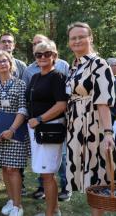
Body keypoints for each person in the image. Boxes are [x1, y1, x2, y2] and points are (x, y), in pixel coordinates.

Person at [65, 22, 116, 216]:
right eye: (73, 38)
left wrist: (107, 132)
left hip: (93, 126)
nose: (77, 40)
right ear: (69, 42)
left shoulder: (99, 63)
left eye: (81, 36)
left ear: (91, 38)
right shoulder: (76, 66)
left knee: (97, 176)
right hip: (76, 127)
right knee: (87, 176)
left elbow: (103, 101)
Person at [26, 35, 71, 202]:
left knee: (47, 175)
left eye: (47, 54)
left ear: (54, 56)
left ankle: (51, 213)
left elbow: (61, 105)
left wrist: (39, 119)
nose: (43, 57)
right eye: (39, 55)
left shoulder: (57, 76)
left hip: (50, 129)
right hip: (37, 130)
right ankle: (54, 210)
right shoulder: (35, 77)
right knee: (44, 173)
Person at [0, 50, 29, 216]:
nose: (2, 64)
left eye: (5, 61)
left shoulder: (20, 84)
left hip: (15, 133)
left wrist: (12, 130)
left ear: (11, 64)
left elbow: (23, 109)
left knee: (13, 169)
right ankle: (11, 200)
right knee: (4, 167)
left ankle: (18, 205)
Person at [0, 33, 30, 195]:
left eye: (9, 42)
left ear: (14, 45)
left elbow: (25, 90)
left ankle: (20, 184)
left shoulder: (22, 66)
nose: (7, 44)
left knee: (16, 156)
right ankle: (6, 188)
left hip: (17, 117)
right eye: (3, 42)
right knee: (2, 159)